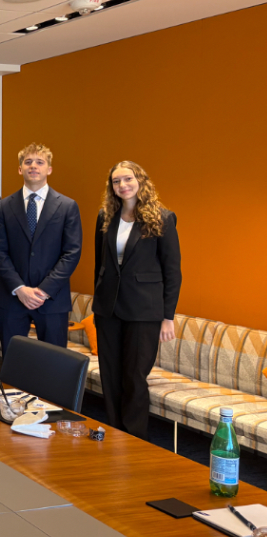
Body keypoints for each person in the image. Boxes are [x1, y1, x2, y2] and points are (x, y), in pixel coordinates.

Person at [93, 161, 181, 440]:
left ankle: (133, 438)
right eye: (116, 181)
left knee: (134, 376)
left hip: (144, 311)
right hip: (108, 310)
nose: (122, 185)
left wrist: (168, 316)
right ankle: (114, 431)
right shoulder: (105, 216)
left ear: (140, 180)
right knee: (110, 374)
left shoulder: (162, 218)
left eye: (127, 179)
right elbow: (100, 265)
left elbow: (172, 271)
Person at [0, 143, 82, 355]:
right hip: (13, 298)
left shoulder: (67, 206)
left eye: (40, 162)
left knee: (54, 365)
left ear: (49, 169)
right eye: (28, 162)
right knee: (14, 363)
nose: (33, 166)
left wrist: (43, 291)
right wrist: (20, 289)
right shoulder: (3, 207)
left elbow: (71, 253)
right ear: (20, 169)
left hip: (52, 300)